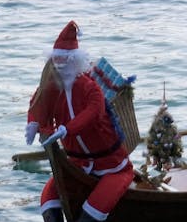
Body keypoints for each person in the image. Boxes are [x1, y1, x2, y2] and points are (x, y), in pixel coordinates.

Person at [26, 22, 134, 222]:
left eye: (64, 59)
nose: (59, 64)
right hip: (77, 163)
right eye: (56, 59)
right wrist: (32, 123)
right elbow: (38, 103)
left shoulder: (89, 88)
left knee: (91, 214)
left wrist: (68, 129)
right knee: (49, 204)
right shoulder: (52, 85)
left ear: (74, 61)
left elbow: (94, 112)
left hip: (112, 166)